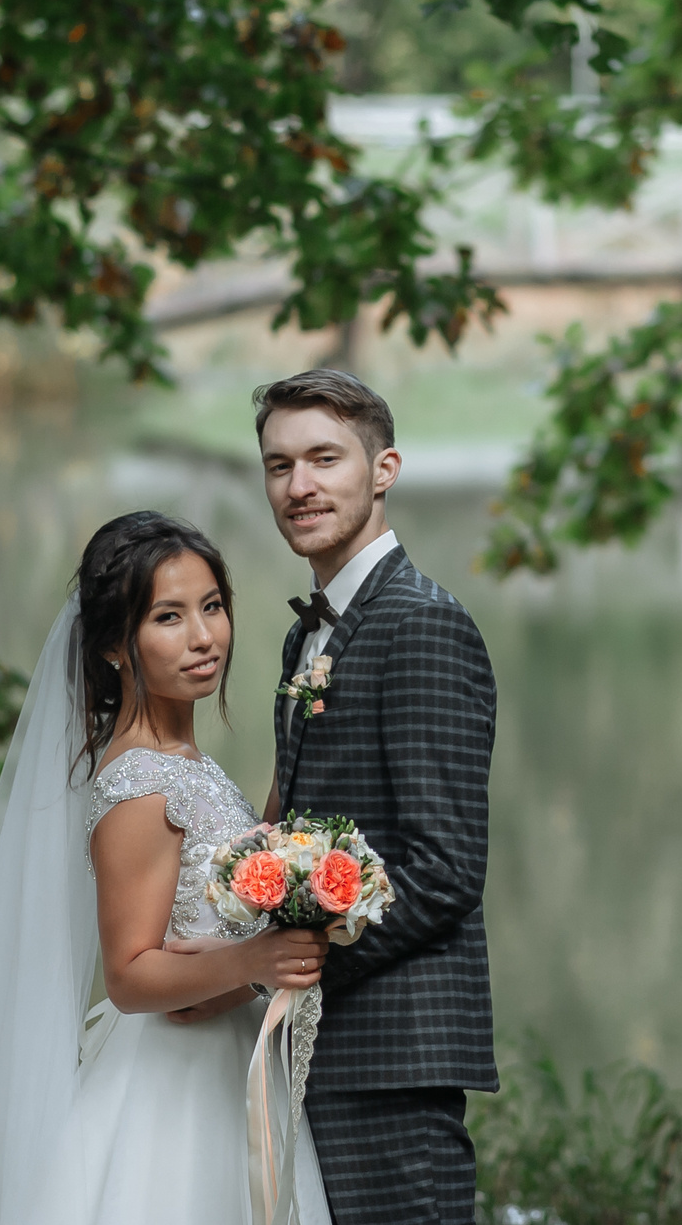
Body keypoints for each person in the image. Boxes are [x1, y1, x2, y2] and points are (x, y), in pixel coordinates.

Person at [0, 511, 335, 1225]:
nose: (203, 636)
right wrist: (255, 957)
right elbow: (130, 973)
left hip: (224, 1062)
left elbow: (214, 888)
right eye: (169, 616)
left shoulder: (183, 762)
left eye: (213, 606)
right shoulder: (139, 781)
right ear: (112, 647)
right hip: (175, 1087)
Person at [219, 369, 500, 1224]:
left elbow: (445, 868)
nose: (299, 486)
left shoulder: (422, 624)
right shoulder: (309, 632)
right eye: (278, 465)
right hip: (318, 1048)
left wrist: (302, 969)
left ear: (384, 469)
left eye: (323, 458)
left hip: (393, 1055)